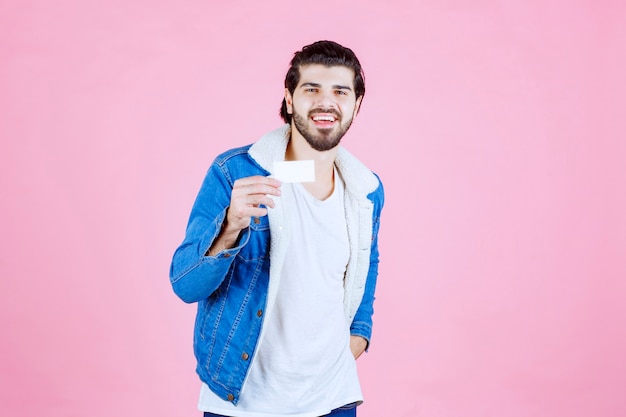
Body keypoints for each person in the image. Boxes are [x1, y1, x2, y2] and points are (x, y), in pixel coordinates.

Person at [169, 40, 384, 417]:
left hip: (333, 399)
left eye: (340, 91)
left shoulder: (365, 189)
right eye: (311, 89)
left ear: (356, 105)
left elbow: (367, 267)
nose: (326, 101)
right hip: (242, 400)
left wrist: (358, 336)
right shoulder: (235, 173)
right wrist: (230, 226)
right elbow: (185, 285)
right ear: (288, 99)